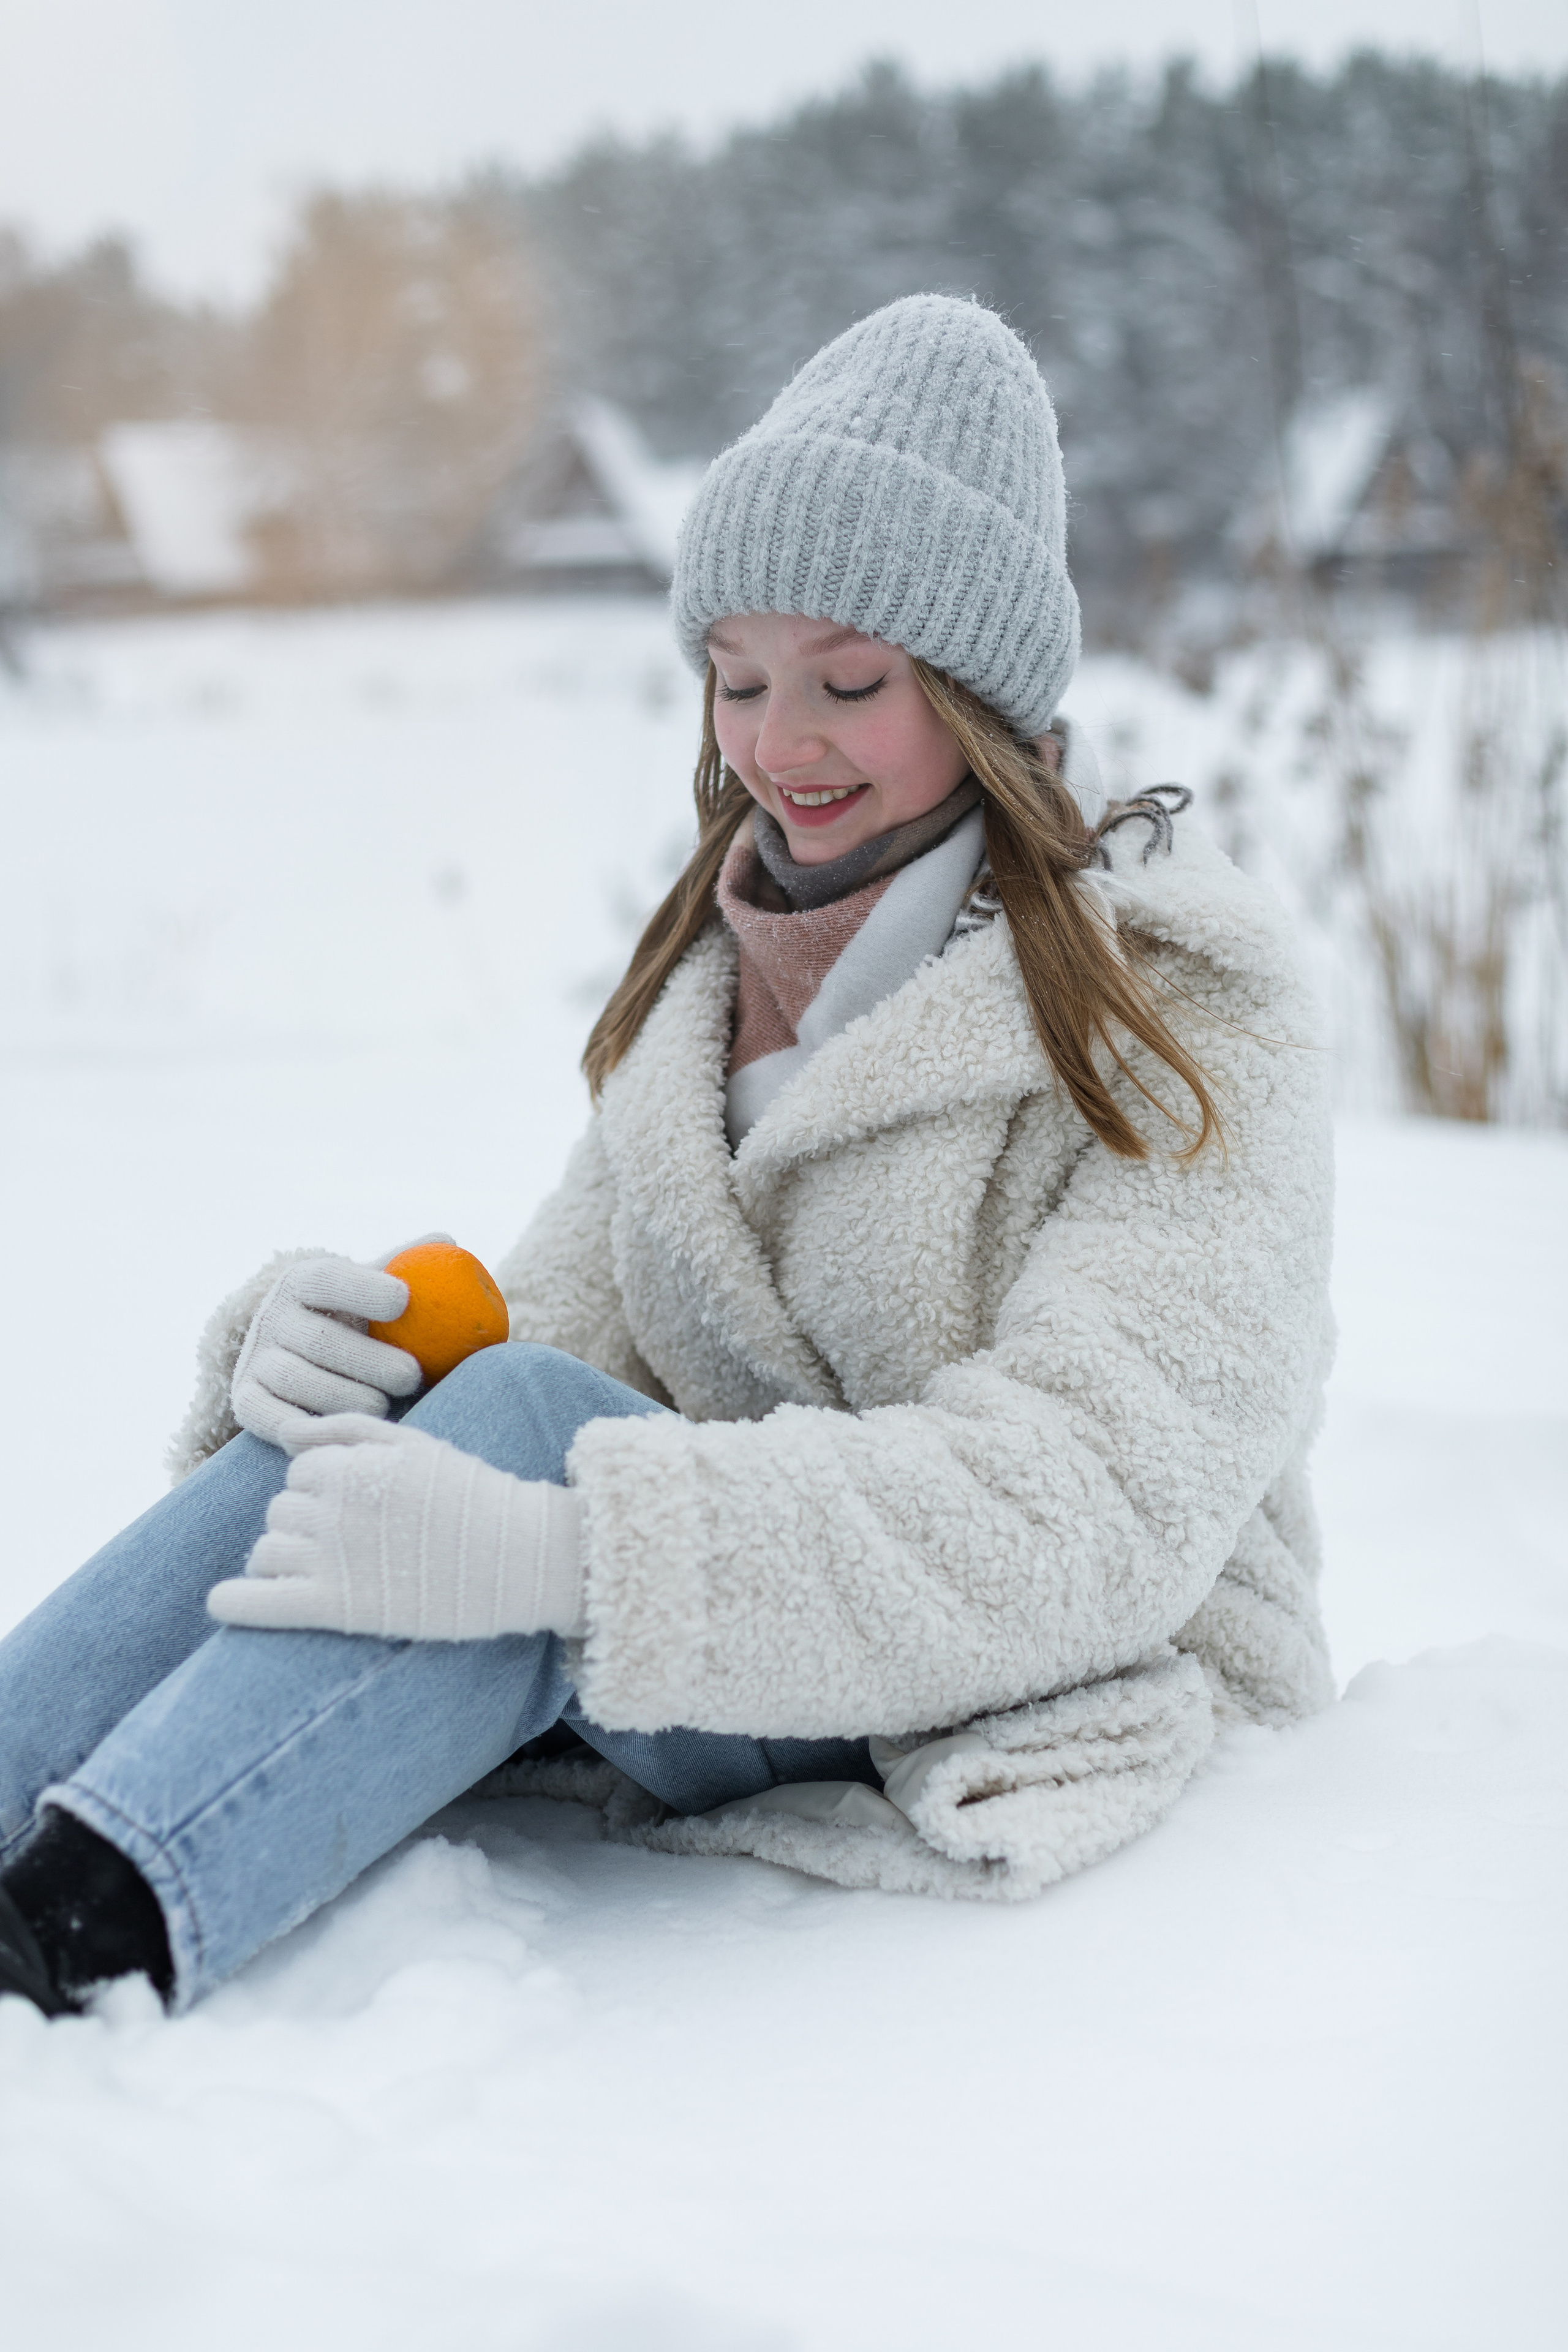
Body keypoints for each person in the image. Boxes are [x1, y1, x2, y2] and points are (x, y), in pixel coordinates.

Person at [0, 296, 1335, 2018]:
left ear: (983, 691)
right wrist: (313, 1368)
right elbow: (550, 1351)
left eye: (851, 682)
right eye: (741, 677)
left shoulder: (1183, 1018)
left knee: (530, 1447)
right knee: (436, 1405)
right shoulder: (707, 1007)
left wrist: (574, 1554)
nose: (781, 747)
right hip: (761, 1658)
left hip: (1061, 1687)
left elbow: (1087, 1514)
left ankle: (69, 1948)